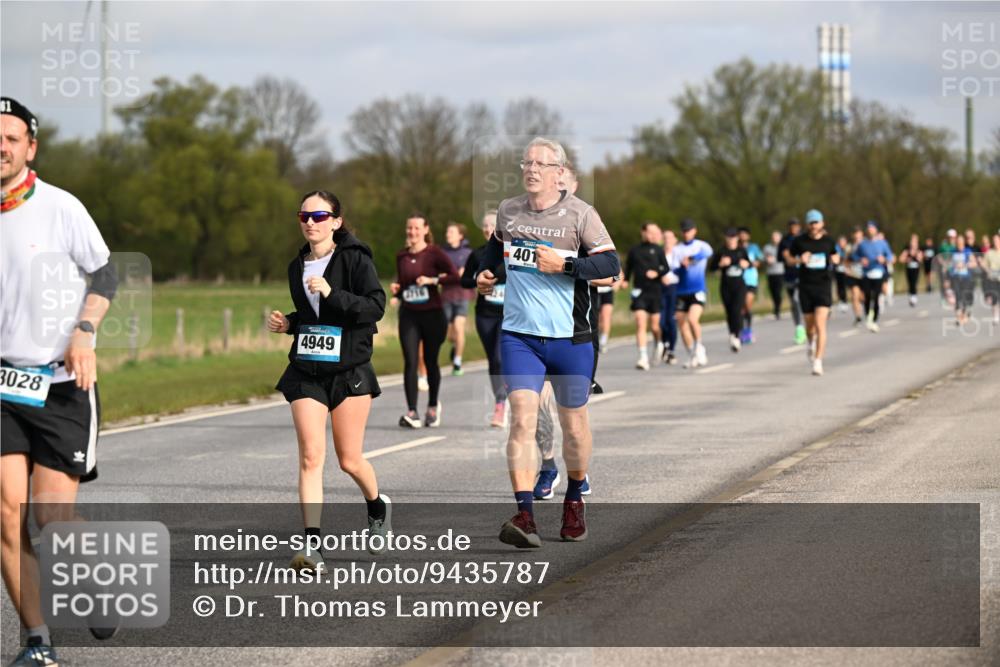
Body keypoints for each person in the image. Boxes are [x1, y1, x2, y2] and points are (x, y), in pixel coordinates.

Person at [2, 97, 120, 665]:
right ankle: (37, 642)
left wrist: (84, 330)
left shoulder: (59, 207)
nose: (1, 145)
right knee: (6, 513)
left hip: (60, 384)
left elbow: (105, 270)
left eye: (11, 137)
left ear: (30, 147)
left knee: (51, 518)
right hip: (1, 387)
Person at [476, 137, 619, 547]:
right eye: (527, 163)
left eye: (541, 164)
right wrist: (486, 275)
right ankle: (525, 515)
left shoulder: (580, 215)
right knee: (521, 419)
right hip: (520, 335)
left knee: (574, 428)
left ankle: (574, 499)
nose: (532, 169)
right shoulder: (509, 211)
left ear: (560, 171)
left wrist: (567, 264)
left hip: (570, 340)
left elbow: (611, 265)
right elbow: (495, 250)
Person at [269, 191, 390, 571]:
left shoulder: (355, 259)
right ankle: (312, 548)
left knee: (349, 460)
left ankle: (377, 506)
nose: (310, 222)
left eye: (320, 216)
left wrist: (332, 293)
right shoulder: (297, 266)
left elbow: (375, 307)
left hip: (350, 371)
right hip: (307, 370)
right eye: (304, 215)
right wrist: (290, 323)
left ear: (336, 222)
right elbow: (311, 317)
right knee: (309, 456)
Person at [390, 214, 459, 428]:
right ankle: (412, 412)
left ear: (426, 230)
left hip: (432, 314)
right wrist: (397, 291)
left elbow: (454, 275)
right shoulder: (401, 256)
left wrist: (432, 280)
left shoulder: (434, 253)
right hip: (409, 314)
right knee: (411, 361)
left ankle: (431, 406)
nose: (412, 232)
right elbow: (404, 284)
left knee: (430, 361)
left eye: (417, 228)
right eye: (409, 228)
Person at [462, 210, 508, 428]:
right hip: (485, 314)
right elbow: (464, 281)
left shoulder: (511, 252)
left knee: (500, 358)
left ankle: (502, 404)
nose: (489, 230)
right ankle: (501, 400)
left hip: (509, 314)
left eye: (493, 226)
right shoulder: (478, 255)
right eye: (485, 227)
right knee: (493, 360)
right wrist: (479, 280)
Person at [786, 209, 840, 376]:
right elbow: (788, 259)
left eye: (816, 222)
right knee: (810, 327)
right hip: (805, 287)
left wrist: (836, 260)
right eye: (811, 223)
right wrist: (798, 260)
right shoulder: (799, 241)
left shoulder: (829, 242)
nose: (814, 226)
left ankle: (818, 362)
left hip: (823, 287)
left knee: (820, 324)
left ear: (822, 223)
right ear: (807, 225)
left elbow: (836, 255)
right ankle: (811, 343)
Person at [623, 222, 668, 370]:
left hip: (655, 291)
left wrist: (657, 273)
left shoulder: (658, 250)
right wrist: (624, 281)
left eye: (654, 233)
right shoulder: (634, 250)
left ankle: (659, 342)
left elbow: (666, 268)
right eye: (649, 232)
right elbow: (628, 269)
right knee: (640, 323)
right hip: (639, 292)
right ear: (643, 232)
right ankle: (643, 357)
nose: (652, 235)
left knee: (655, 326)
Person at [674, 218, 713, 368]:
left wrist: (690, 259)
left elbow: (707, 254)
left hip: (697, 290)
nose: (686, 234)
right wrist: (682, 267)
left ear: (694, 230)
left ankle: (699, 347)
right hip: (682, 291)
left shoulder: (702, 245)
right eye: (684, 231)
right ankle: (692, 353)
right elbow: (675, 269)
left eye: (689, 230)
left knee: (692, 319)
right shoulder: (677, 249)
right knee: (682, 324)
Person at [441, 223, 475, 376]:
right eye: (447, 231)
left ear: (460, 235)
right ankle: (456, 348)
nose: (448, 234)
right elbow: (440, 274)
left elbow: (469, 273)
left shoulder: (467, 253)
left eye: (451, 231)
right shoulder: (442, 253)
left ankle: (457, 362)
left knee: (459, 326)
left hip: (462, 294)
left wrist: (457, 274)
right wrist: (452, 274)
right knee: (449, 335)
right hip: (446, 296)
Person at [710, 228, 750, 352]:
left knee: (737, 310)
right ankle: (732, 333)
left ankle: (737, 336)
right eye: (729, 237)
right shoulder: (721, 251)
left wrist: (746, 264)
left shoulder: (741, 251)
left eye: (733, 237)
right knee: (729, 312)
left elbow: (749, 263)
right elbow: (711, 268)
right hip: (726, 285)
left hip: (739, 285)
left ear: (737, 238)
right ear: (725, 238)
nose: (731, 239)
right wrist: (720, 264)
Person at [851, 220, 894, 332]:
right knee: (867, 297)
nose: (870, 231)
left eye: (872, 229)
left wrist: (884, 259)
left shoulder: (882, 243)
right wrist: (861, 259)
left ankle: (874, 319)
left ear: (876, 230)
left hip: (879, 273)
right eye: (868, 229)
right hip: (866, 274)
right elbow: (854, 256)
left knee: (876, 297)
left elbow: (890, 256)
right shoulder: (862, 244)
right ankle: (868, 316)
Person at [778, 218, 807, 344]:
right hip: (790, 275)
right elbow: (786, 258)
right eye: (791, 226)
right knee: (793, 303)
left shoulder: (805, 238)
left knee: (797, 299)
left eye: (796, 225)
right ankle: (799, 327)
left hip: (804, 275)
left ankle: (803, 327)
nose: (794, 228)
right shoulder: (785, 241)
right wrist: (798, 260)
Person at [659, 229, 681, 364]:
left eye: (670, 238)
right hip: (661, 289)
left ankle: (671, 349)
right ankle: (665, 344)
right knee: (661, 321)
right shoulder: (659, 253)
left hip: (675, 288)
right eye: (665, 238)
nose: (667, 240)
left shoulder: (679, 254)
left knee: (671, 320)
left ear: (675, 240)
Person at [943, 235, 976, 326]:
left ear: (963, 243)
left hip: (965, 277)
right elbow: (947, 264)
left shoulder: (968, 251)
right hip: (955, 277)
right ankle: (959, 317)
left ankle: (964, 315)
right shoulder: (952, 252)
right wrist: (946, 277)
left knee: (964, 296)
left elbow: (974, 263)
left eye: (961, 242)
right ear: (956, 243)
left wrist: (965, 264)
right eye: (958, 243)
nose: (959, 244)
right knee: (957, 297)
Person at [738, 227, 763, 343]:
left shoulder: (753, 247)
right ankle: (742, 330)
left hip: (751, 280)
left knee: (747, 305)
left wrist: (754, 263)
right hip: (738, 281)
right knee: (741, 308)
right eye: (740, 234)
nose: (742, 236)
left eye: (744, 234)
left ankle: (748, 329)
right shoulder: (736, 248)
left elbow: (760, 259)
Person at [844, 226, 866, 325]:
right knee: (854, 295)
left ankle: (866, 307)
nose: (857, 238)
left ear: (862, 235)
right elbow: (846, 261)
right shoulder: (849, 247)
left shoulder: (867, 245)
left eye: (859, 236)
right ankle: (858, 316)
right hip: (853, 274)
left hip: (865, 274)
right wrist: (847, 269)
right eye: (856, 236)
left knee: (863, 296)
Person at [762, 230, 785, 320]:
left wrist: (775, 259)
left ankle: (777, 309)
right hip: (770, 273)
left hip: (780, 272)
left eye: (776, 237)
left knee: (778, 292)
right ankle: (776, 306)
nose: (775, 239)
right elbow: (762, 258)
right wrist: (767, 260)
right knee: (772, 292)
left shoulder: (783, 247)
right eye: (773, 237)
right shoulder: (767, 248)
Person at [898, 234, 924, 307]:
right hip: (909, 268)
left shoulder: (919, 250)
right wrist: (907, 259)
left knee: (914, 282)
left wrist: (917, 256)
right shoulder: (907, 250)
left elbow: (921, 259)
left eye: (914, 241)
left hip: (916, 268)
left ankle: (914, 297)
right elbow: (900, 259)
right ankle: (911, 296)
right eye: (912, 240)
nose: (913, 242)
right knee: (910, 283)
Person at [983, 233, 1000, 325]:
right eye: (994, 241)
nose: (995, 242)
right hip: (992, 279)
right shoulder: (989, 252)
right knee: (994, 299)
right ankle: (996, 317)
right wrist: (987, 270)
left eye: (997, 240)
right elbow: (984, 264)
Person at [834, 235, 850, 313]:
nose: (842, 243)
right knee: (839, 286)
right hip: (838, 270)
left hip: (846, 270)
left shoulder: (848, 248)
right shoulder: (836, 248)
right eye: (841, 242)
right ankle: (841, 301)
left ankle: (845, 300)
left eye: (843, 242)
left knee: (845, 286)